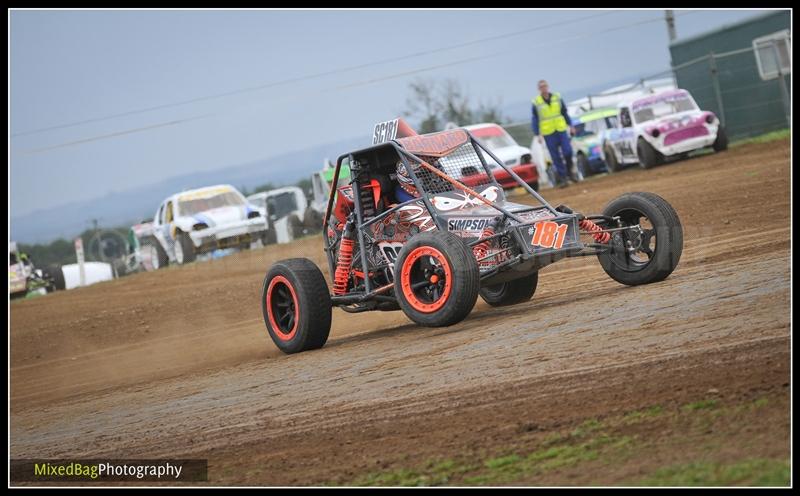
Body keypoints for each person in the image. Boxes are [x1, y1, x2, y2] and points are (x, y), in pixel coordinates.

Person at [531, 79, 576, 188]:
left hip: (561, 129)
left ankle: (569, 172)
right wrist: (538, 134)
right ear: (539, 89)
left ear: (548, 87)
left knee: (568, 152)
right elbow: (535, 119)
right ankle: (563, 178)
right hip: (548, 133)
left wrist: (571, 125)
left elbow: (564, 112)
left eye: (545, 86)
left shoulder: (557, 97)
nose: (543, 88)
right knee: (555, 157)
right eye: (541, 87)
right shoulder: (536, 102)